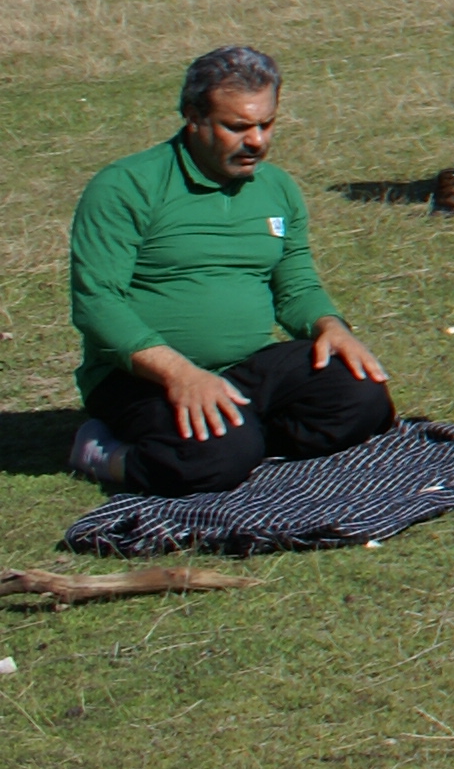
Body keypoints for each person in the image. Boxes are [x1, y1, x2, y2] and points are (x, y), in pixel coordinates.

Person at [66, 47, 396, 495]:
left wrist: (329, 326)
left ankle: (239, 435)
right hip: (142, 378)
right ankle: (108, 455)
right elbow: (97, 304)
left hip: (245, 367)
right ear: (193, 117)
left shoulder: (277, 189)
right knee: (216, 458)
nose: (257, 140)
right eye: (237, 127)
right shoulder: (126, 187)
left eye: (267, 123)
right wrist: (180, 374)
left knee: (361, 396)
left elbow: (295, 283)